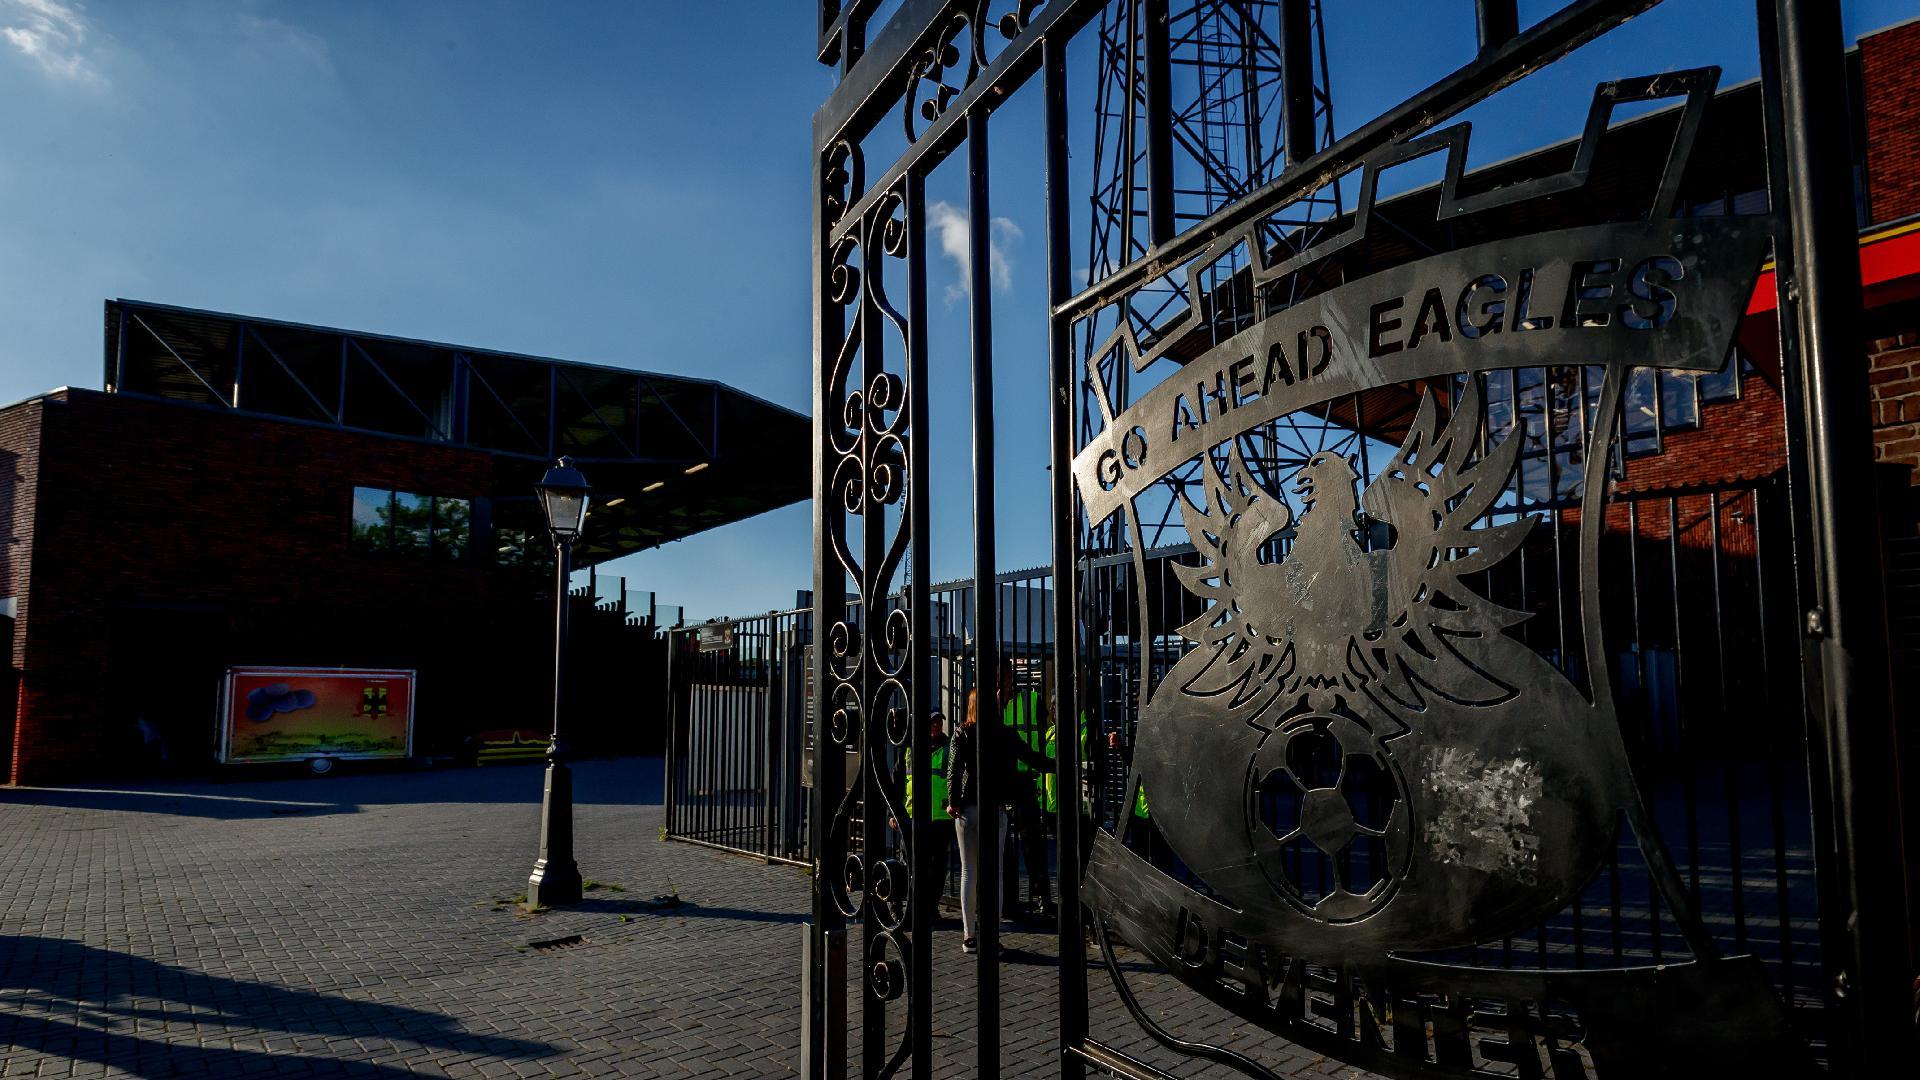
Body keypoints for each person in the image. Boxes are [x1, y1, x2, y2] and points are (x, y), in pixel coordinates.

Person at [945, 688, 1006, 955]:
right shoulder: (999, 733)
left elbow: (954, 769)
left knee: (969, 872)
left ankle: (969, 936)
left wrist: (953, 801)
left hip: (968, 808)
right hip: (995, 807)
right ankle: (993, 934)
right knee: (996, 873)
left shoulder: (962, 733)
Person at [997, 658, 1054, 920]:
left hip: (1025, 780)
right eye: (1001, 678)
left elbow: (1045, 732)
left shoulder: (1031, 700)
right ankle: (1008, 899)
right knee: (1003, 845)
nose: (1006, 683)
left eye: (1007, 677)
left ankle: (1041, 896)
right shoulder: (990, 705)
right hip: (1002, 781)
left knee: (1032, 843)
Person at [900, 709, 954, 911]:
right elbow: (899, 781)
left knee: (938, 867)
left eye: (939, 722)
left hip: (941, 817)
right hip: (915, 814)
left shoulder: (949, 748)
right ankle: (912, 907)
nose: (936, 726)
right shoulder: (911, 748)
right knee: (913, 865)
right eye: (932, 722)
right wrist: (894, 813)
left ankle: (931, 908)